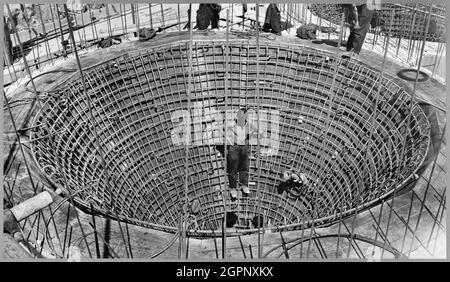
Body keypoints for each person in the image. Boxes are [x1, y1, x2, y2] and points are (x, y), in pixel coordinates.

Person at [216, 108, 251, 200]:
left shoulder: (247, 124)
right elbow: (219, 129)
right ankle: (233, 188)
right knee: (233, 170)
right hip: (234, 148)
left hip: (243, 148)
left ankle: (244, 185)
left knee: (244, 168)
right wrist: (227, 140)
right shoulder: (231, 124)